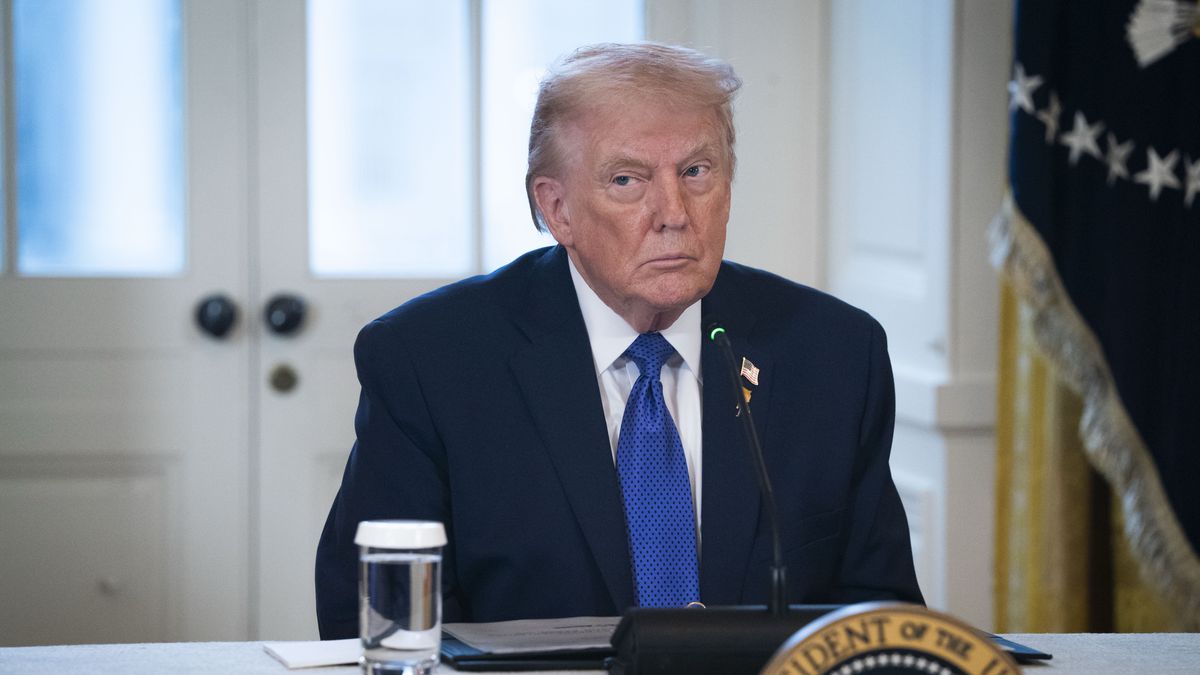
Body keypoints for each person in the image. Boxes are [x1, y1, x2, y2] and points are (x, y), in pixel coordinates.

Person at [315, 42, 922, 639]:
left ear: (729, 185)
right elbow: (380, 620)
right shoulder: (431, 360)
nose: (674, 212)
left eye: (696, 172)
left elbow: (879, 618)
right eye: (627, 179)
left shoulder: (834, 354)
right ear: (557, 209)